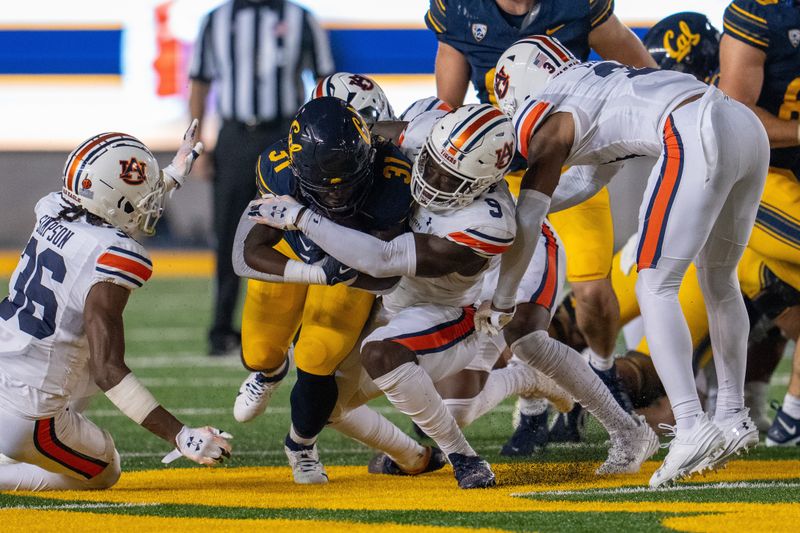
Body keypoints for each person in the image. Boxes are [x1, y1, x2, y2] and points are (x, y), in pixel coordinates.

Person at [250, 104, 658, 488]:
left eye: (451, 180)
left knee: (513, 347)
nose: (433, 180)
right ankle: (415, 454)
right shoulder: (429, 135)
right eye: (433, 164)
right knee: (327, 407)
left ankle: (471, 456)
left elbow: (383, 258)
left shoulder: (485, 222)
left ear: (483, 184)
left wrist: (302, 217)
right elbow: (373, 136)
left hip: (455, 302)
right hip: (399, 294)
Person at [483, 35, 768, 487]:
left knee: (655, 282)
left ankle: (692, 424)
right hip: (743, 126)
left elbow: (530, 218)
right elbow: (583, 182)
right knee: (718, 279)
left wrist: (501, 297)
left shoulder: (549, 113)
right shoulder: (596, 86)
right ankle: (733, 415)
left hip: (695, 127)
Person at [425, 0, 659, 447]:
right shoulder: (459, 9)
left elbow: (642, 70)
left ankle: (603, 371)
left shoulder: (575, 5)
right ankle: (531, 402)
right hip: (501, 173)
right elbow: (447, 110)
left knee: (591, 291)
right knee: (508, 299)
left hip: (572, 167)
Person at [0, 123, 233, 491]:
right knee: (105, 471)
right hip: (29, 416)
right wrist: (180, 434)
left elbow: (109, 204)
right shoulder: (114, 254)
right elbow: (109, 370)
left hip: (6, 366)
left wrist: (171, 174)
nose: (147, 206)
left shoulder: (53, 207)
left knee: (83, 359)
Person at [231, 96, 412, 484]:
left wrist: (342, 275)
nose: (336, 196)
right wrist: (314, 274)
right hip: (293, 256)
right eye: (323, 188)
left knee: (317, 356)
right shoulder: (276, 168)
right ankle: (271, 371)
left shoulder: (392, 178)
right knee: (259, 350)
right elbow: (246, 253)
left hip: (353, 270)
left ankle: (301, 445)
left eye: (346, 184)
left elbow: (387, 272)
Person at [188, 0, 335, 356]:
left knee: (301, 227)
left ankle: (303, 325)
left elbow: (325, 82)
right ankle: (222, 328)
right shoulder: (216, 19)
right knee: (227, 233)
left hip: (287, 132)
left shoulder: (301, 19)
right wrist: (197, 145)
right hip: (234, 137)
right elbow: (200, 83)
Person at [716, 0, 800, 447]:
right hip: (760, 174)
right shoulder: (763, 12)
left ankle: (789, 416)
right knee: (651, 389)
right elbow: (738, 116)